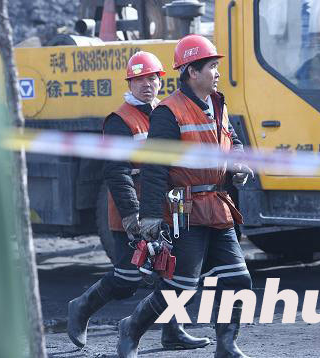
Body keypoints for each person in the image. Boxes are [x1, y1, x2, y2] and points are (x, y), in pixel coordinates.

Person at [116, 35, 253, 358]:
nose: (217, 73)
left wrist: (239, 161)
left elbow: (231, 139)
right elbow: (154, 166)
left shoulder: (218, 102)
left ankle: (227, 345)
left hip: (218, 206)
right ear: (192, 71)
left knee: (238, 279)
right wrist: (149, 215)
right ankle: (131, 329)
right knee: (180, 287)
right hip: (184, 207)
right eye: (212, 67)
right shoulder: (168, 112)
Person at [67, 51, 209, 351]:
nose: (147, 84)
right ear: (129, 83)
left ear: (161, 80)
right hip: (132, 208)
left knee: (172, 271)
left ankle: (173, 332)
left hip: (165, 206)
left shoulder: (164, 112)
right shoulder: (120, 120)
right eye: (139, 79)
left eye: (152, 78)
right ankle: (80, 307)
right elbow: (116, 172)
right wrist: (132, 215)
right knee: (127, 277)